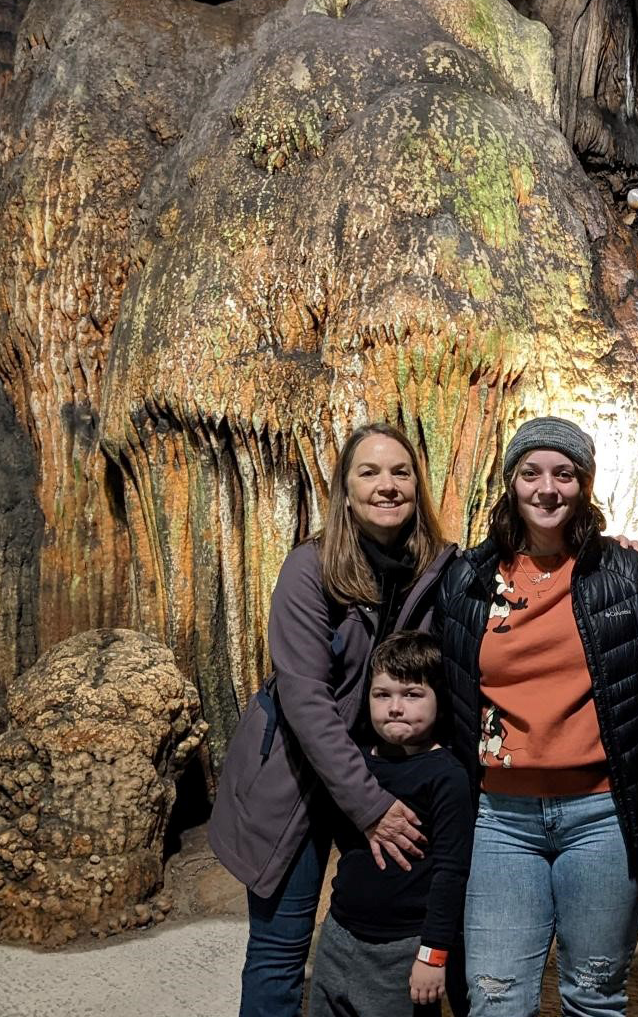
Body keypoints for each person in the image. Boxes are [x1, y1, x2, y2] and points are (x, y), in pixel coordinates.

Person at [210, 423, 457, 1017]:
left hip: (382, 772)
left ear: (417, 486)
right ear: (345, 492)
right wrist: (369, 807)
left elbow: (502, 576)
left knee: (389, 930)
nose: (387, 485)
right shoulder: (308, 569)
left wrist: (599, 546)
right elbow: (306, 702)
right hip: (292, 779)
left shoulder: (438, 570)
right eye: (368, 472)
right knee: (280, 950)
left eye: (400, 472)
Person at [436, 416, 638, 1017]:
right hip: (500, 819)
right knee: (495, 1000)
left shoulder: (626, 575)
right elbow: (442, 685)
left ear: (583, 485)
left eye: (564, 474)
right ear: (511, 483)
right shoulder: (466, 580)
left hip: (603, 815)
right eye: (531, 472)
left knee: (593, 996)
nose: (547, 488)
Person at [310, 630, 472, 1017]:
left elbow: (451, 873)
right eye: (382, 695)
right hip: (339, 933)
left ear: (439, 699)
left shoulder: (446, 775)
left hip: (403, 949)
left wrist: (433, 957)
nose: (395, 707)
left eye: (412, 694)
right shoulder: (356, 766)